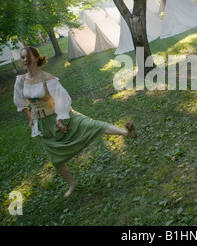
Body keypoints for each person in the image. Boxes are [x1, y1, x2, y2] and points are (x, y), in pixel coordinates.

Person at [13, 46, 137, 197]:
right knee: (56, 159)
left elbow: (62, 99)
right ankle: (72, 183)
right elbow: (21, 103)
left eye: (28, 56)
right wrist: (31, 118)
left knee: (92, 125)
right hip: (43, 125)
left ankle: (126, 133)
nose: (25, 60)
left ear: (36, 58)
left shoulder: (48, 79)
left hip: (60, 116)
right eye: (22, 57)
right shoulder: (20, 81)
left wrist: (60, 119)